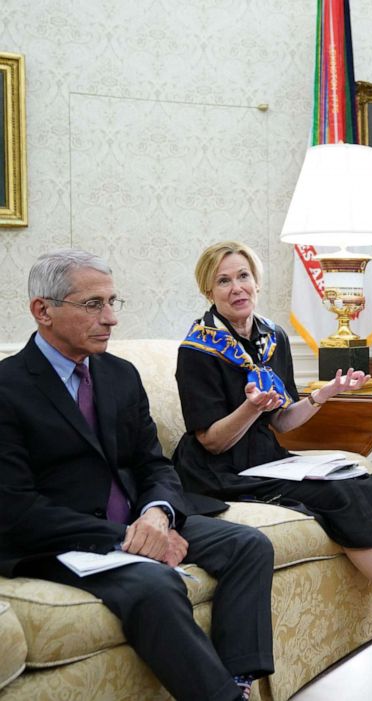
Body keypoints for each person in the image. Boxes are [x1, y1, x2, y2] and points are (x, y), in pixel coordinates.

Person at [0, 250, 275, 701]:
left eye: (113, 302)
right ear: (42, 310)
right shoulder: (7, 387)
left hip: (136, 519)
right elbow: (15, 509)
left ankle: (238, 683)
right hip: (60, 540)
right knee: (155, 583)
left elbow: (153, 464)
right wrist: (123, 535)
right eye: (93, 305)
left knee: (248, 545)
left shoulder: (119, 375)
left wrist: (157, 515)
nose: (110, 319)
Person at [172, 242, 372, 620]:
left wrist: (324, 395)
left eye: (243, 276)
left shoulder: (272, 337)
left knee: (369, 484)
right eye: (224, 281)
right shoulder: (197, 349)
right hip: (217, 471)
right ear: (209, 291)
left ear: (257, 282)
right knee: (338, 494)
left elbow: (282, 421)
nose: (237, 287)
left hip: (265, 459)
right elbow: (212, 440)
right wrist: (250, 406)